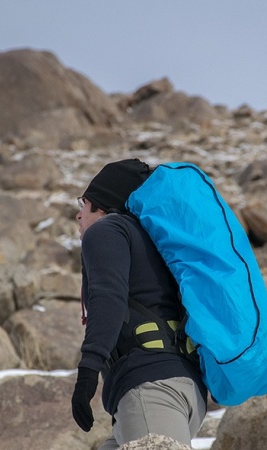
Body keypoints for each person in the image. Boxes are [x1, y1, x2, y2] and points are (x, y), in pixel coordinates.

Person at [70, 158, 207, 449]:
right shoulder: (152, 240)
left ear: (102, 206)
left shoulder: (107, 230)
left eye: (85, 203)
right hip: (180, 389)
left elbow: (108, 297)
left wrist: (88, 370)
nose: (79, 215)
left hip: (152, 391)